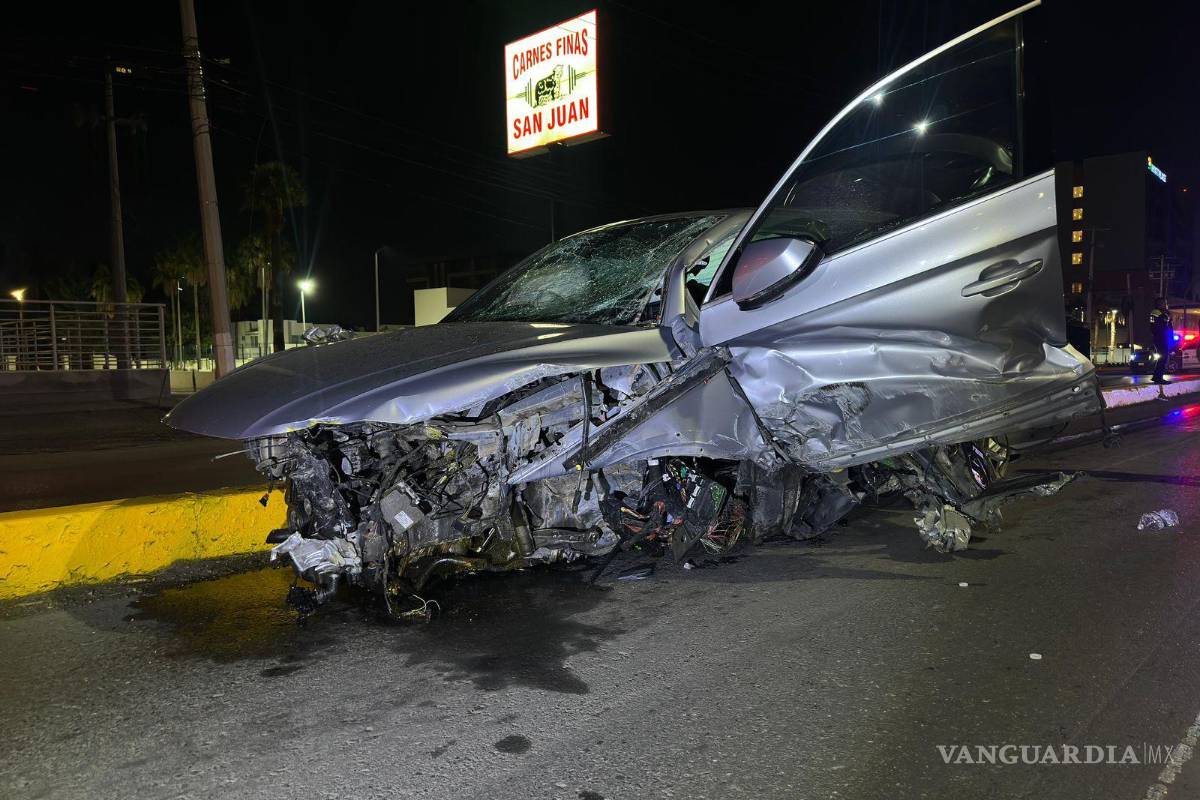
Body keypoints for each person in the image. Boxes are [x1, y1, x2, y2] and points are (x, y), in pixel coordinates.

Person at [1150, 297, 1173, 384]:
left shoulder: (1164, 313)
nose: (1166, 305)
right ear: (1159, 304)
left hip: (1164, 338)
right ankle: (1158, 377)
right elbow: (1156, 326)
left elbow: (1168, 323)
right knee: (1163, 357)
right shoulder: (1156, 312)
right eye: (1164, 303)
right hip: (1160, 338)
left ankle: (1157, 377)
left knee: (1164, 357)